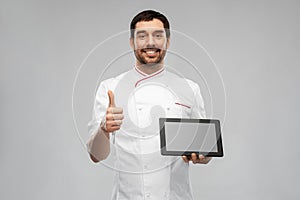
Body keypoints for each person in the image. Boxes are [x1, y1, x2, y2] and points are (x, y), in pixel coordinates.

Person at [87, 10, 212, 200]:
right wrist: (104, 128)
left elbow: (205, 149)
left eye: (158, 36)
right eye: (142, 36)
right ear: (132, 42)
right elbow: (96, 155)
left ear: (168, 42)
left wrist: (202, 156)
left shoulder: (190, 89)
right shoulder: (110, 87)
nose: (151, 43)